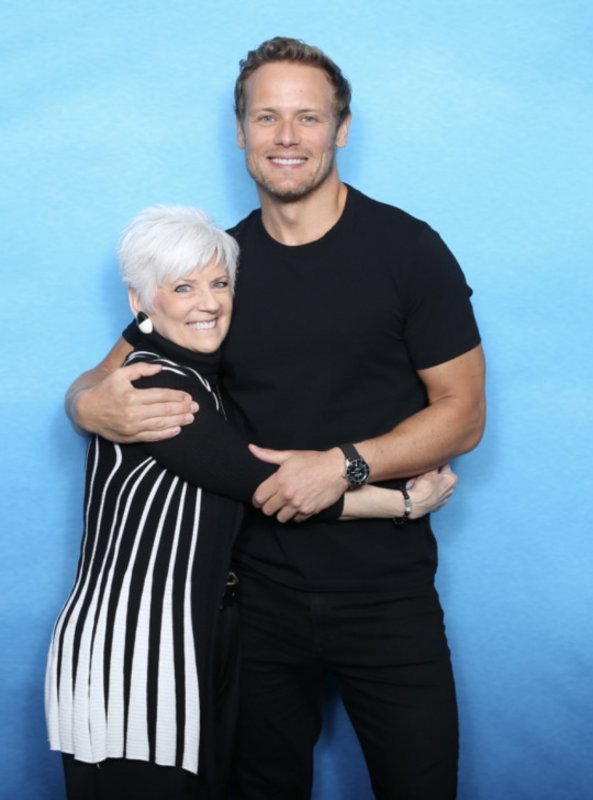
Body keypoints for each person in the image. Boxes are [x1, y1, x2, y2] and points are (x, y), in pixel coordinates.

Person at [65, 37, 485, 800]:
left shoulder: (408, 251)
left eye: (307, 117)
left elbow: (462, 415)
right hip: (251, 599)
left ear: (341, 129)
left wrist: (343, 466)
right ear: (240, 132)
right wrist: (85, 404)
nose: (286, 137)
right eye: (266, 117)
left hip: (386, 594)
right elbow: (105, 377)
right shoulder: (216, 271)